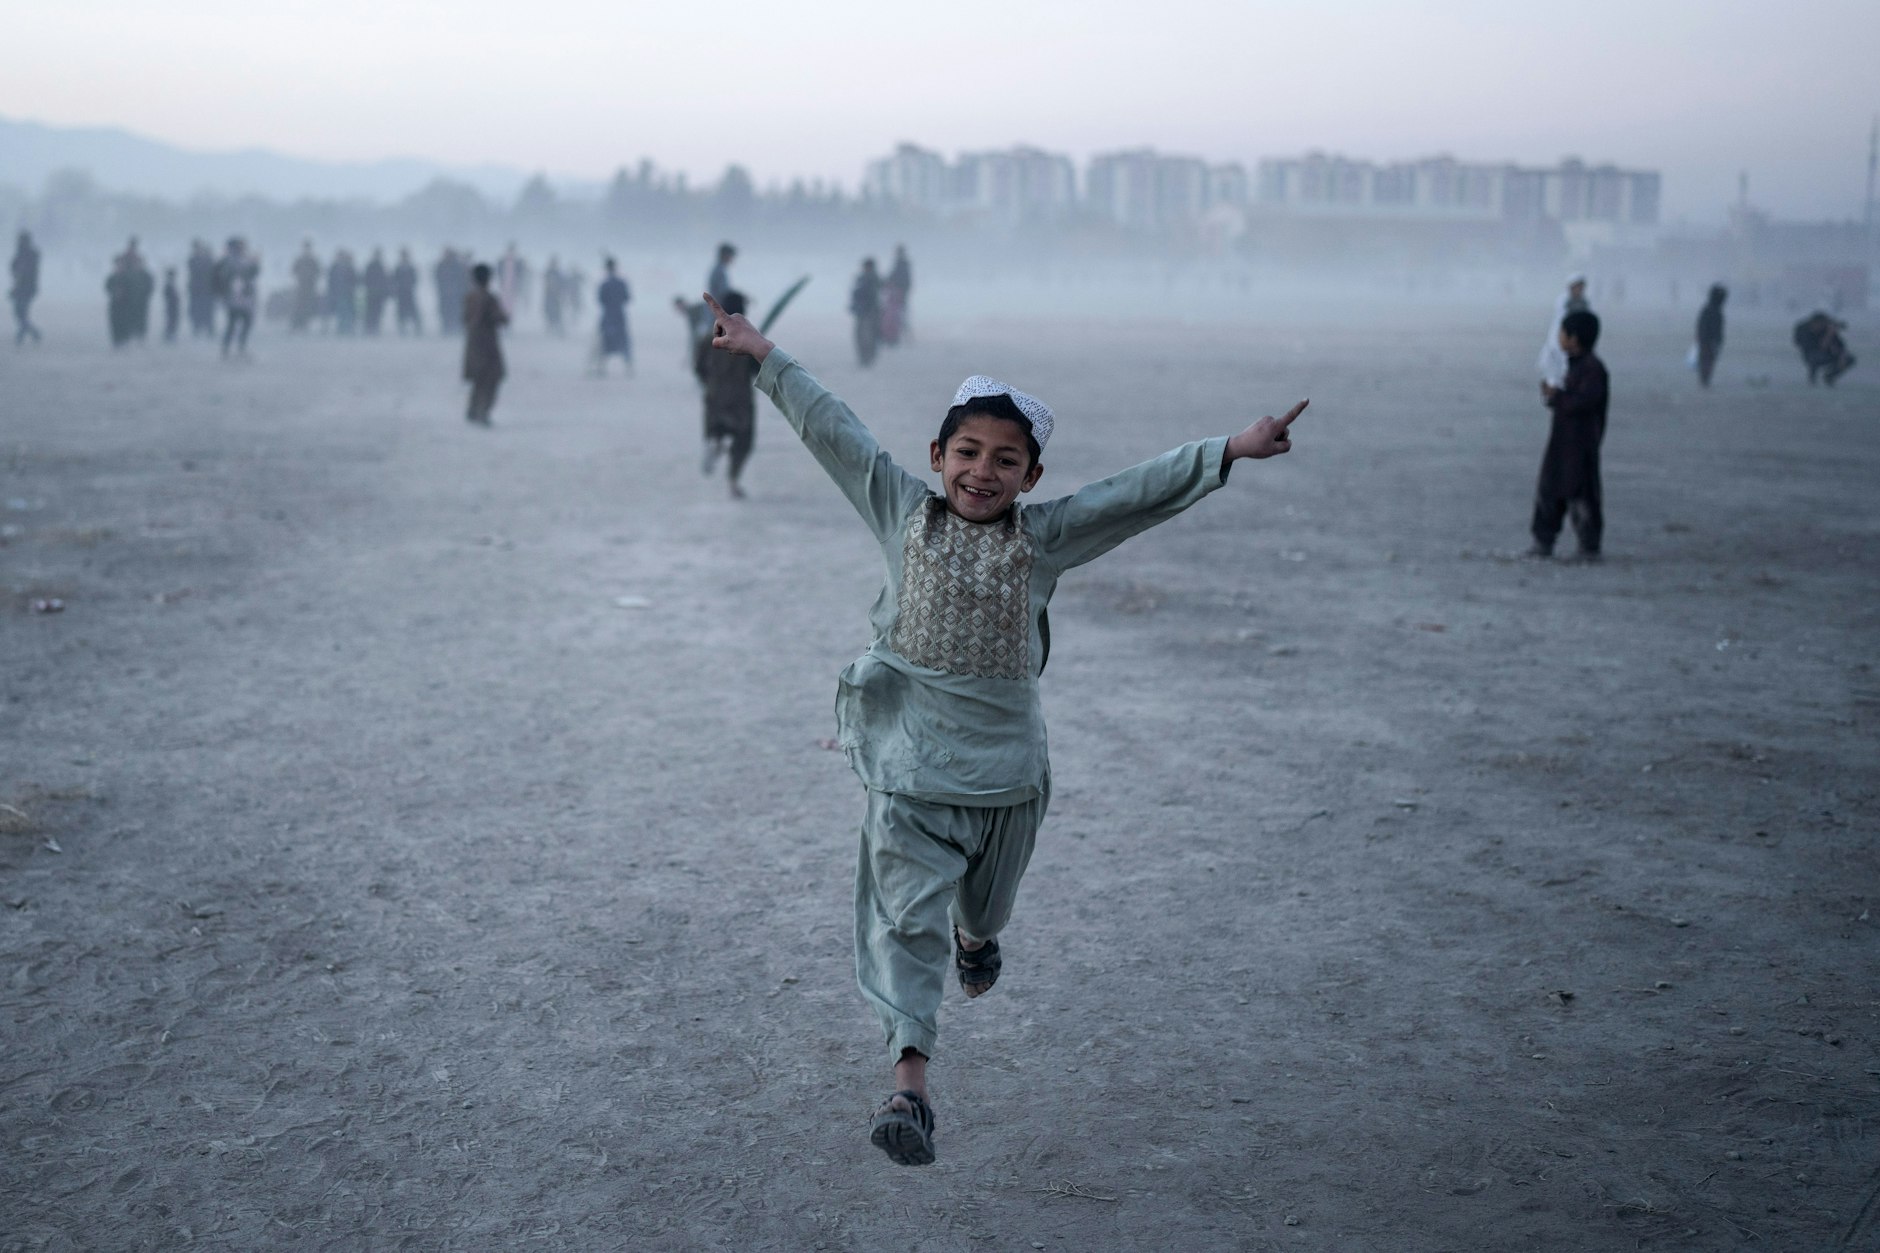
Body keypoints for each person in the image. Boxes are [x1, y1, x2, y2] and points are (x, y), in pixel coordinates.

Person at [700, 289, 1307, 1167]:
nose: (982, 471)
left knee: (979, 909)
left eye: (1006, 459)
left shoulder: (1045, 539)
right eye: (968, 452)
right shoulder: (900, 511)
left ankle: (978, 937)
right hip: (910, 776)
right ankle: (909, 1087)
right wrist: (763, 352)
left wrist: (1232, 450)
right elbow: (831, 427)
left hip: (1007, 782)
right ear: (937, 455)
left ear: (1032, 477)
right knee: (904, 923)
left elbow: (1133, 495)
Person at [1528, 309, 1608, 562]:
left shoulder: (1593, 369)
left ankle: (1589, 547)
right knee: (1549, 492)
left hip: (1581, 444)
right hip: (1561, 442)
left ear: (1574, 338)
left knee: (1582, 497)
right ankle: (1543, 541)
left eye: (1563, 333)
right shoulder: (1573, 366)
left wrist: (1557, 396)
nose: (1560, 337)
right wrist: (1552, 396)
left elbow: (1583, 402)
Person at [694, 290, 760, 496]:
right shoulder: (749, 340)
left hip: (715, 395)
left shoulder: (708, 338)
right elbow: (756, 369)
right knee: (743, 440)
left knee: (717, 428)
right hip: (740, 398)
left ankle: (715, 441)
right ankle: (733, 479)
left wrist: (710, 383)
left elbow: (698, 367)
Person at [461, 262, 508, 426]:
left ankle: (473, 410)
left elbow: (465, 318)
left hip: (473, 343)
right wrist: (505, 316)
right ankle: (482, 411)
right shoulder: (489, 298)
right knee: (490, 379)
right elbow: (499, 319)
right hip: (487, 344)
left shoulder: (470, 297)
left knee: (479, 379)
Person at [1536, 273, 1590, 389]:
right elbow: (1558, 323)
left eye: (1581, 287)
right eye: (1577, 286)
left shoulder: (1585, 303)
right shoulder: (1564, 302)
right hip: (1564, 339)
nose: (1579, 289)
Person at [217, 236, 259, 358]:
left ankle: (240, 347)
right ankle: (227, 348)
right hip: (234, 298)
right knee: (232, 323)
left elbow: (253, 274)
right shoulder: (229, 261)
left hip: (244, 299)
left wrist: (255, 264)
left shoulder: (244, 260)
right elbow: (225, 279)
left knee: (246, 322)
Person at [1792, 311, 1856, 386]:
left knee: (1849, 359)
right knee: (1815, 358)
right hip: (1811, 355)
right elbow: (1820, 347)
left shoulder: (1825, 330)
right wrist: (1829, 335)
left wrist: (1842, 356)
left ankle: (1829, 376)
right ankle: (1812, 379)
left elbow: (1839, 345)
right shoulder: (1804, 331)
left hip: (1826, 354)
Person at [593, 257, 632, 375]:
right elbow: (627, 298)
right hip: (619, 315)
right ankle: (628, 367)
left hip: (608, 315)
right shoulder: (622, 283)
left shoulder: (604, 284)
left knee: (605, 342)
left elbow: (600, 300)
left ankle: (602, 368)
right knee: (623, 342)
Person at [11, 230, 42, 345]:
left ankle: (25, 334)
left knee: (21, 312)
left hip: (26, 288)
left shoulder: (30, 254)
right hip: (21, 288)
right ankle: (32, 332)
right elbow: (13, 267)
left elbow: (28, 272)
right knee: (19, 312)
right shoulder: (21, 253)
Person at [850, 257, 882, 367]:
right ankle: (866, 357)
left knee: (866, 336)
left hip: (868, 312)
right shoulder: (869, 278)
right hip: (866, 311)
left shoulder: (870, 279)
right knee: (865, 336)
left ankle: (866, 358)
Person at [1694, 284, 1726, 387]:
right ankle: (1705, 380)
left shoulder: (1709, 310)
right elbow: (1711, 327)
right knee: (1708, 360)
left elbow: (1701, 325)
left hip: (1706, 339)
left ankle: (1705, 379)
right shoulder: (1714, 311)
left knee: (1707, 359)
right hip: (1708, 340)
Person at [881, 244, 912, 346]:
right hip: (897, 293)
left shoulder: (901, 264)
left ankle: (895, 336)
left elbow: (896, 277)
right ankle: (897, 335)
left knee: (896, 315)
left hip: (898, 293)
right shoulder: (902, 264)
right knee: (898, 315)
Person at [186, 239, 217, 337]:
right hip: (196, 291)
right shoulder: (192, 260)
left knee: (208, 311)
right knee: (196, 311)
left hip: (208, 291)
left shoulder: (209, 261)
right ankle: (197, 328)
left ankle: (209, 329)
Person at [290, 240, 321, 332]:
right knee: (298, 306)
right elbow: (293, 270)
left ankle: (305, 324)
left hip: (310, 287)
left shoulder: (313, 260)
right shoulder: (300, 259)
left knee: (308, 306)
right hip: (301, 287)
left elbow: (318, 271)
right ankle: (296, 324)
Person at [328, 249, 359, 335]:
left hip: (349, 294)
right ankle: (341, 329)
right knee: (341, 312)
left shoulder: (350, 268)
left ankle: (348, 328)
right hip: (339, 294)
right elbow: (331, 281)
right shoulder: (334, 268)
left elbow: (355, 281)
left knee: (349, 312)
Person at [394, 248, 423, 336]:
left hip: (409, 293)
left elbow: (415, 279)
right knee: (401, 313)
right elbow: (394, 280)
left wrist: (408, 285)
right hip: (401, 294)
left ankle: (418, 330)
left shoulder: (411, 268)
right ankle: (402, 330)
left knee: (414, 313)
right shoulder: (398, 268)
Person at [362, 248, 390, 335]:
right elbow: (366, 279)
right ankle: (369, 329)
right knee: (370, 312)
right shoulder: (370, 266)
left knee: (377, 313)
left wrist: (386, 292)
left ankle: (375, 329)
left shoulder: (382, 267)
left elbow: (386, 281)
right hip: (371, 294)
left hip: (379, 294)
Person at [542, 256, 566, 335]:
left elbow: (562, 285)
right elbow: (545, 283)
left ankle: (557, 328)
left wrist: (560, 294)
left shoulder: (558, 273)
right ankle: (551, 327)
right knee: (549, 311)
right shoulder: (548, 272)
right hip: (549, 296)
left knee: (557, 313)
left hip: (556, 296)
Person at [161, 267, 181, 342]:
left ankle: (171, 334)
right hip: (171, 306)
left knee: (174, 320)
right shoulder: (168, 285)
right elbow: (167, 295)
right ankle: (169, 335)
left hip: (174, 306)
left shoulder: (172, 285)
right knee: (171, 320)